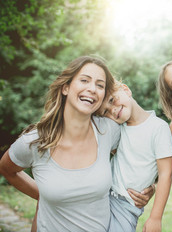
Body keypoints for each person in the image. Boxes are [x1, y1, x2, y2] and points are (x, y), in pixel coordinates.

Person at [0, 56, 120, 231]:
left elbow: (138, 156)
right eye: (85, 80)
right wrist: (44, 196)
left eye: (100, 85)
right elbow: (6, 169)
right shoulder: (35, 141)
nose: (92, 89)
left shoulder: (108, 131)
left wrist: (147, 187)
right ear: (66, 88)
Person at [96, 80, 172, 232]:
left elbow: (166, 174)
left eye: (112, 100)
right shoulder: (117, 129)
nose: (112, 110)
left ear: (125, 89)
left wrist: (155, 218)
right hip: (103, 198)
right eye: (105, 112)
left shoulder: (158, 128)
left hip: (127, 206)